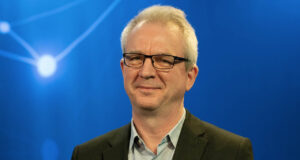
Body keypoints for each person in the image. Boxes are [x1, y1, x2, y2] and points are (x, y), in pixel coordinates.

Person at [71, 5, 253, 160]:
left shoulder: (231, 153)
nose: (146, 72)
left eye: (163, 60)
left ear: (190, 76)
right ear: (123, 69)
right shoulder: (87, 155)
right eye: (135, 58)